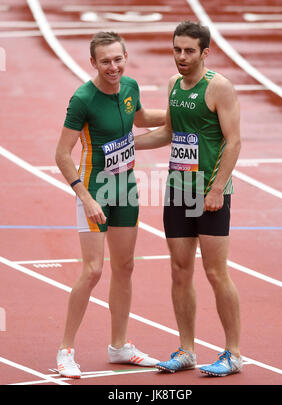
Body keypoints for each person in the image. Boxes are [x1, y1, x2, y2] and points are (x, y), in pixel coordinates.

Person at [134, 21, 242, 377]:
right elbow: (169, 131)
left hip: (210, 195)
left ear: (205, 52)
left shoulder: (219, 88)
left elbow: (233, 141)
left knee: (216, 272)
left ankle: (234, 353)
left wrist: (216, 189)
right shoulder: (173, 85)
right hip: (178, 191)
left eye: (189, 51)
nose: (181, 57)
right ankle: (187, 350)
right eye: (177, 49)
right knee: (180, 271)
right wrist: (126, 146)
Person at [55, 31, 165, 378]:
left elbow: (141, 119)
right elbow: (61, 154)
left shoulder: (131, 86)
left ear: (125, 57)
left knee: (125, 266)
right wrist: (84, 198)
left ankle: (119, 346)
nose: (113, 67)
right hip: (94, 190)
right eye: (105, 61)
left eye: (118, 59)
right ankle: (66, 350)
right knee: (93, 270)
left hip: (127, 189)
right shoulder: (83, 99)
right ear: (93, 63)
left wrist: (180, 111)